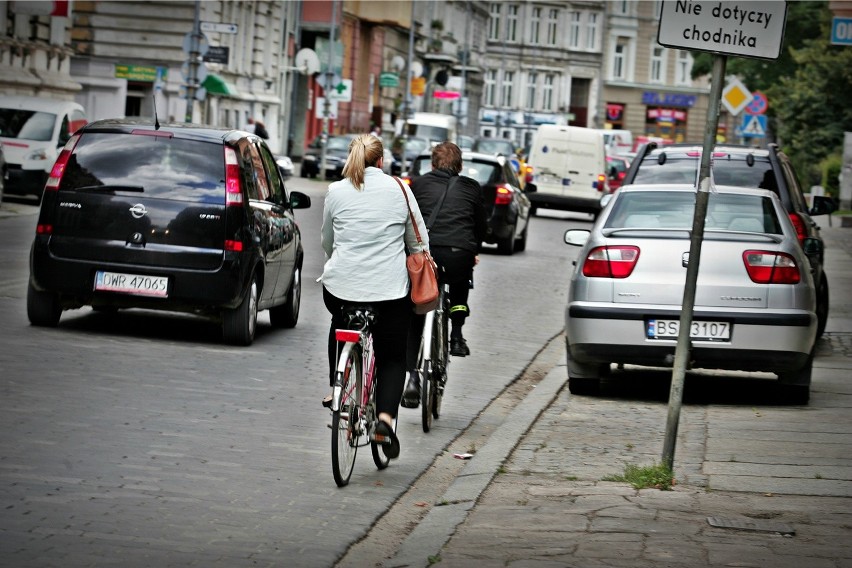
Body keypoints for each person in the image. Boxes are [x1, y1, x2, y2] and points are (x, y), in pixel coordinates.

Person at [320, 133, 429, 459]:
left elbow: (328, 240)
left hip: (341, 288)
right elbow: (418, 241)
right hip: (389, 292)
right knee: (392, 356)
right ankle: (384, 420)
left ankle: (337, 385)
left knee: (339, 321)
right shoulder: (399, 189)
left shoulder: (336, 191)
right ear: (381, 161)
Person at [401, 141, 487, 408]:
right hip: (459, 251)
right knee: (461, 280)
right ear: (459, 165)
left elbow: (408, 221)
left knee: (417, 310)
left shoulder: (418, 185)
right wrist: (474, 247)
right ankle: (457, 334)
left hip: (426, 255)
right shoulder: (471, 188)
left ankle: (412, 377)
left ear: (433, 164)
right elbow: (481, 226)